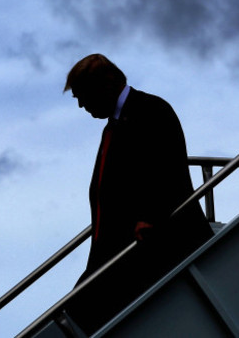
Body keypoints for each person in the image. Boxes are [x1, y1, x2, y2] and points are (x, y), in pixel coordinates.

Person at [63, 54, 213, 333]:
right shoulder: (116, 124)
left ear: (105, 86)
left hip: (149, 244)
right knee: (75, 312)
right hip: (116, 248)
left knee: (83, 314)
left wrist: (150, 217)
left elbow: (166, 167)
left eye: (83, 95)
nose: (82, 105)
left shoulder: (150, 109)